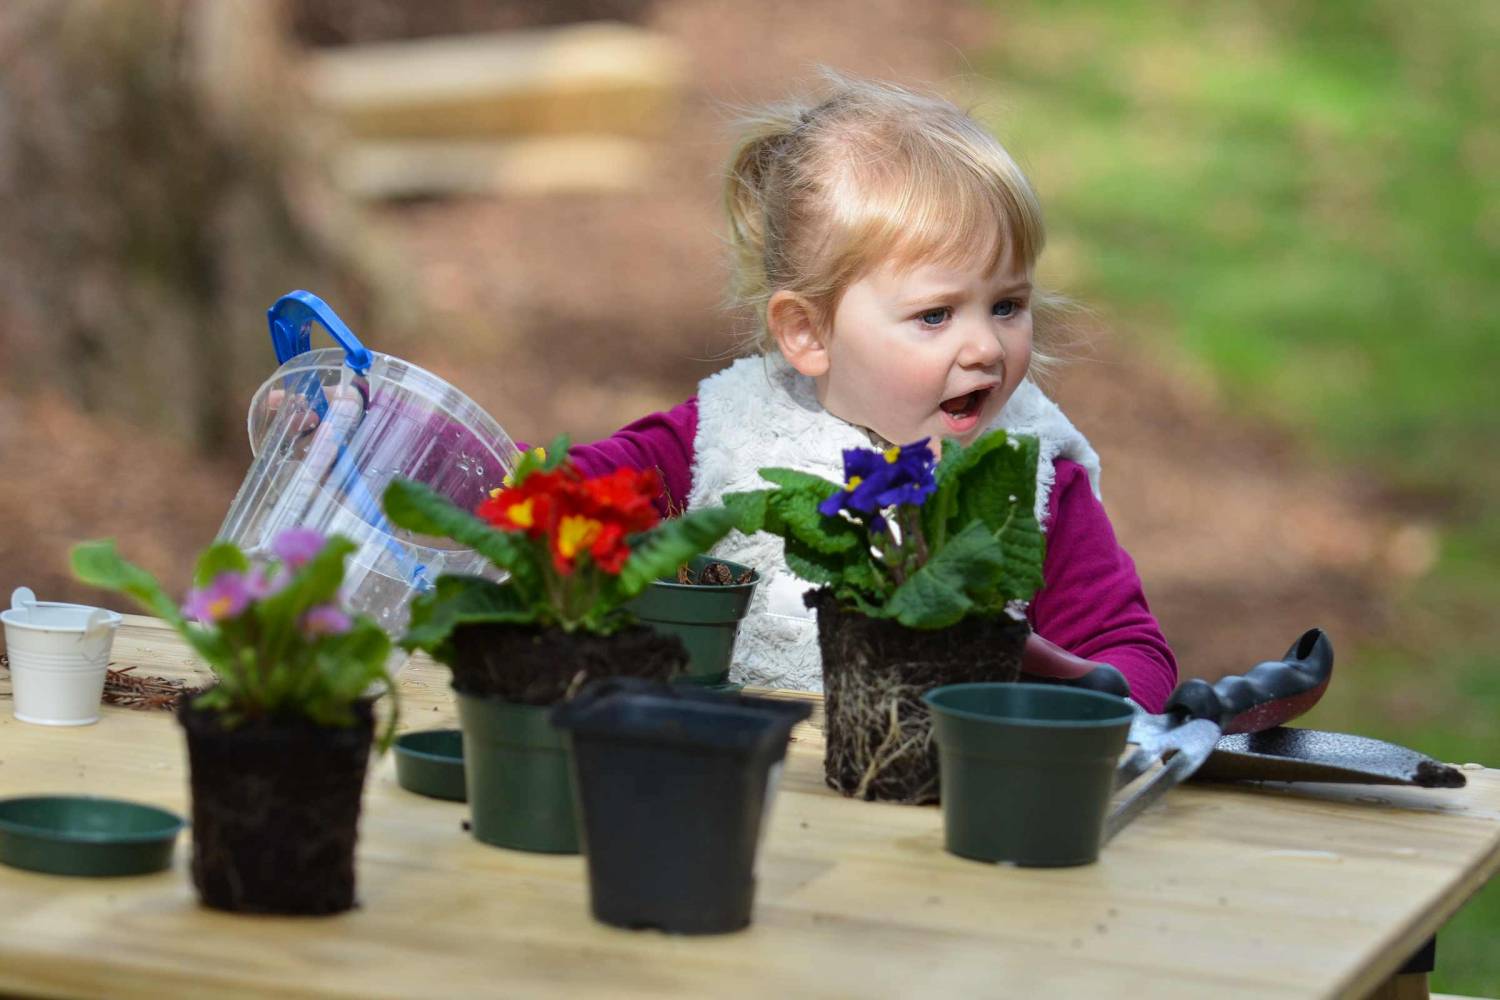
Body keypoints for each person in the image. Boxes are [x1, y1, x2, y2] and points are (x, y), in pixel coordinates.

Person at [562, 73, 1178, 711]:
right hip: (732, 777)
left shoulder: (1028, 477)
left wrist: (1081, 691)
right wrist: (481, 479)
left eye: (1006, 305)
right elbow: (556, 489)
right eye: (936, 315)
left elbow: (1130, 646)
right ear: (807, 331)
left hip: (939, 795)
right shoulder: (728, 431)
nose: (987, 349)